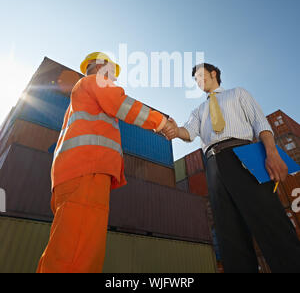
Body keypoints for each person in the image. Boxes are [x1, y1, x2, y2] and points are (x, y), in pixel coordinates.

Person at [37, 52, 172, 273]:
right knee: (79, 255)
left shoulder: (79, 98)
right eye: (111, 72)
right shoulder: (94, 82)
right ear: (100, 67)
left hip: (72, 176)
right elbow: (121, 104)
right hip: (86, 173)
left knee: (64, 249)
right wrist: (162, 123)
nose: (114, 79)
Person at [163, 62, 300, 273]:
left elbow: (261, 123)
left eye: (201, 76)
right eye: (195, 80)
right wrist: (173, 129)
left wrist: (272, 153)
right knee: (230, 236)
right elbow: (188, 133)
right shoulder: (198, 110)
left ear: (213, 73)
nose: (199, 81)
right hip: (213, 165)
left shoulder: (238, 93)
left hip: (243, 155)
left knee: (271, 224)